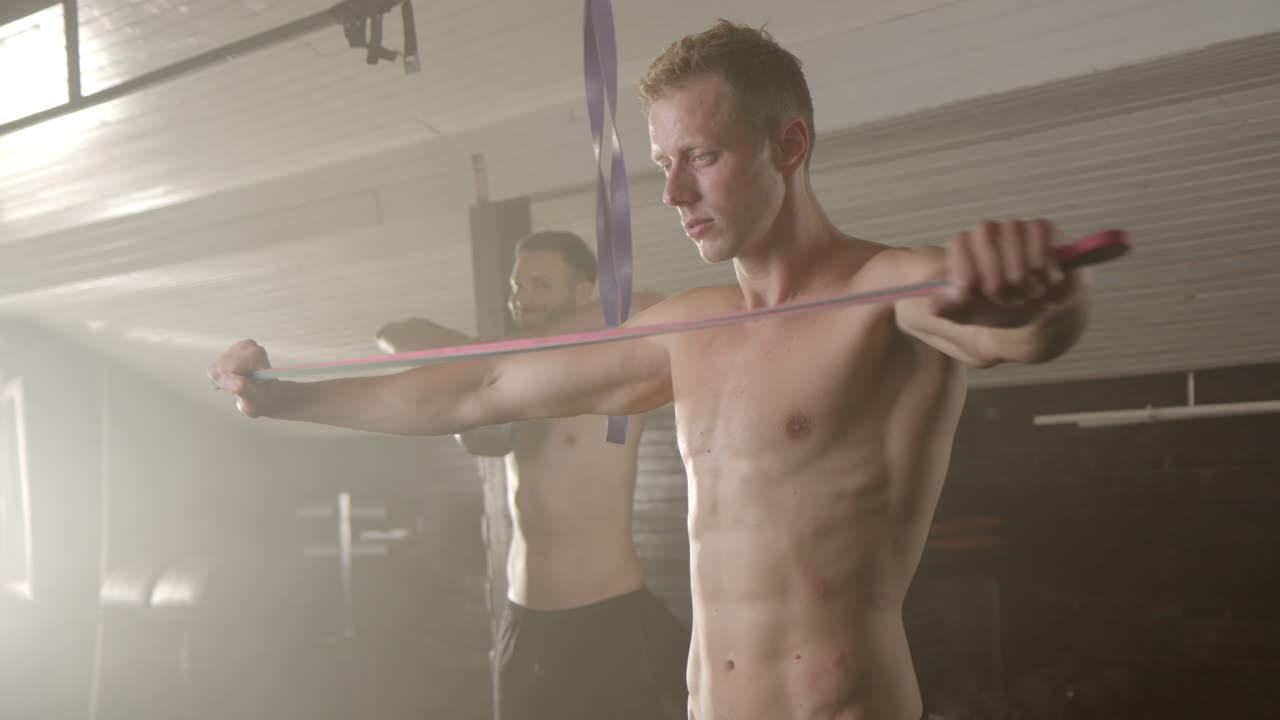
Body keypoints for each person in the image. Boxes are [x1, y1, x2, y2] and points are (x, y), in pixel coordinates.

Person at [210, 20, 1093, 720]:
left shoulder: (885, 290)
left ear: (788, 146)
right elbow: (477, 388)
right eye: (664, 163)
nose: (673, 196)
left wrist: (1038, 289)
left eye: (702, 158)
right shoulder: (687, 330)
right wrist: (281, 399)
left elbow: (1018, 333)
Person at [373, 230, 688, 720]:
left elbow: (646, 303)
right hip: (525, 619)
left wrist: (504, 348)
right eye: (518, 286)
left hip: (608, 616)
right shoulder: (506, 372)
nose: (522, 297)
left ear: (582, 293)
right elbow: (396, 333)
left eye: (541, 284)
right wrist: (490, 351)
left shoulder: (615, 366)